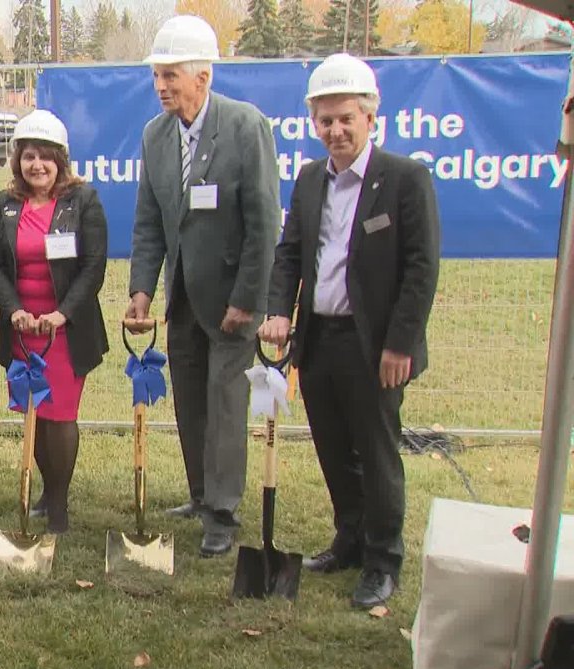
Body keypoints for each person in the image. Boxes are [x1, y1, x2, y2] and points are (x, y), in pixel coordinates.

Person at [258, 53, 440, 609]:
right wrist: (279, 309)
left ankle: (384, 560)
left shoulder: (405, 179)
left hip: (376, 348)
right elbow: (290, 254)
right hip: (320, 341)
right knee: (335, 449)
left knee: (377, 452)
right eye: (325, 120)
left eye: (345, 119)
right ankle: (350, 539)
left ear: (370, 119)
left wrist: (399, 344)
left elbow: (420, 268)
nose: (335, 130)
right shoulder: (311, 179)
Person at [126, 16, 281, 558]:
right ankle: (200, 492)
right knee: (190, 399)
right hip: (184, 299)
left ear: (204, 77)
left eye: (171, 75)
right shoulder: (156, 136)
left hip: (233, 301)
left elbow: (265, 222)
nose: (163, 86)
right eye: (157, 77)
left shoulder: (244, 126)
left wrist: (250, 299)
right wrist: (142, 289)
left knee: (225, 402)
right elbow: (149, 220)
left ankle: (223, 511)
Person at [0, 110, 107, 534]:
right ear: (17, 159)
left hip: (64, 331)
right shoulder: (6, 205)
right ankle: (46, 492)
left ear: (61, 161)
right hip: (22, 329)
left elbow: (93, 267)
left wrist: (61, 313)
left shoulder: (82, 200)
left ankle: (59, 502)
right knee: (33, 411)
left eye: (46, 157)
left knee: (60, 415)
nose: (37, 165)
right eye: (29, 156)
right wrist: (13, 309)